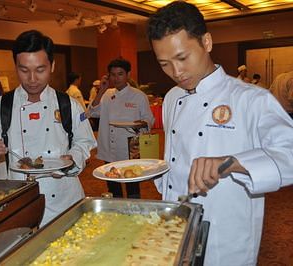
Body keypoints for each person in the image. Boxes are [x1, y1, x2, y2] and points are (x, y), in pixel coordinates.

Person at [147, 2, 293, 265]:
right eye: (165, 64)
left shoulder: (252, 99)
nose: (176, 72)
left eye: (183, 58)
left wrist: (233, 163)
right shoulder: (171, 97)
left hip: (226, 233)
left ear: (207, 42)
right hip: (177, 223)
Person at [0, 30, 96, 226]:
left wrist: (72, 159)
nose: (31, 79)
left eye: (40, 70)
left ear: (52, 66)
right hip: (21, 202)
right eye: (24, 70)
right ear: (16, 67)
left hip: (65, 202)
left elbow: (84, 142)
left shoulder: (68, 104)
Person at [88, 58, 154, 199]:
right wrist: (102, 90)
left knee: (132, 182)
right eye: (113, 74)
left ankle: (134, 209)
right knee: (112, 182)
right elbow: (92, 112)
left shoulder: (138, 96)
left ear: (128, 74)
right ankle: (116, 208)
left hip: (130, 146)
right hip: (109, 146)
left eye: (120, 74)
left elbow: (150, 119)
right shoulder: (106, 94)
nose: (116, 78)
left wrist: (142, 123)